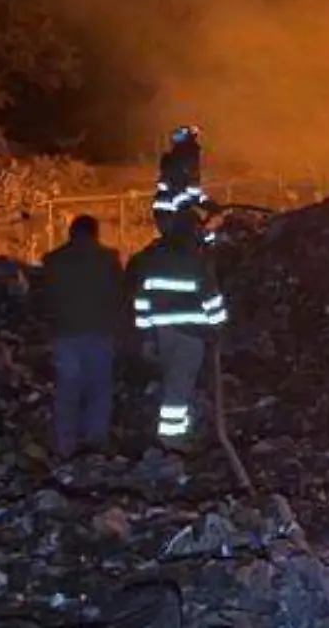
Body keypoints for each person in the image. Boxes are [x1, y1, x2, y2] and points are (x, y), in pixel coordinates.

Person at [128, 212, 228, 448]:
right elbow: (210, 297)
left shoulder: (155, 259)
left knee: (172, 382)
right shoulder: (195, 260)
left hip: (162, 333)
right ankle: (171, 439)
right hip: (190, 334)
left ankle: (175, 432)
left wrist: (147, 338)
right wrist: (219, 325)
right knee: (179, 385)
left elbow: (142, 300)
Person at [39, 214, 127, 458]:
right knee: (99, 389)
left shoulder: (53, 260)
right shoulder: (108, 259)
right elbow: (121, 296)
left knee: (68, 389)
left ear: (71, 233)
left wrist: (49, 327)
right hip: (99, 333)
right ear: (95, 232)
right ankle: (95, 442)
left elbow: (42, 299)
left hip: (65, 335)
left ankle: (65, 444)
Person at [152, 125, 216, 236]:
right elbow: (183, 195)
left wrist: (210, 204)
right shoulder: (181, 165)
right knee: (205, 237)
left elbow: (193, 192)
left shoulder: (179, 162)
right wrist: (207, 206)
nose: (198, 149)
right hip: (172, 215)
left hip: (170, 214)